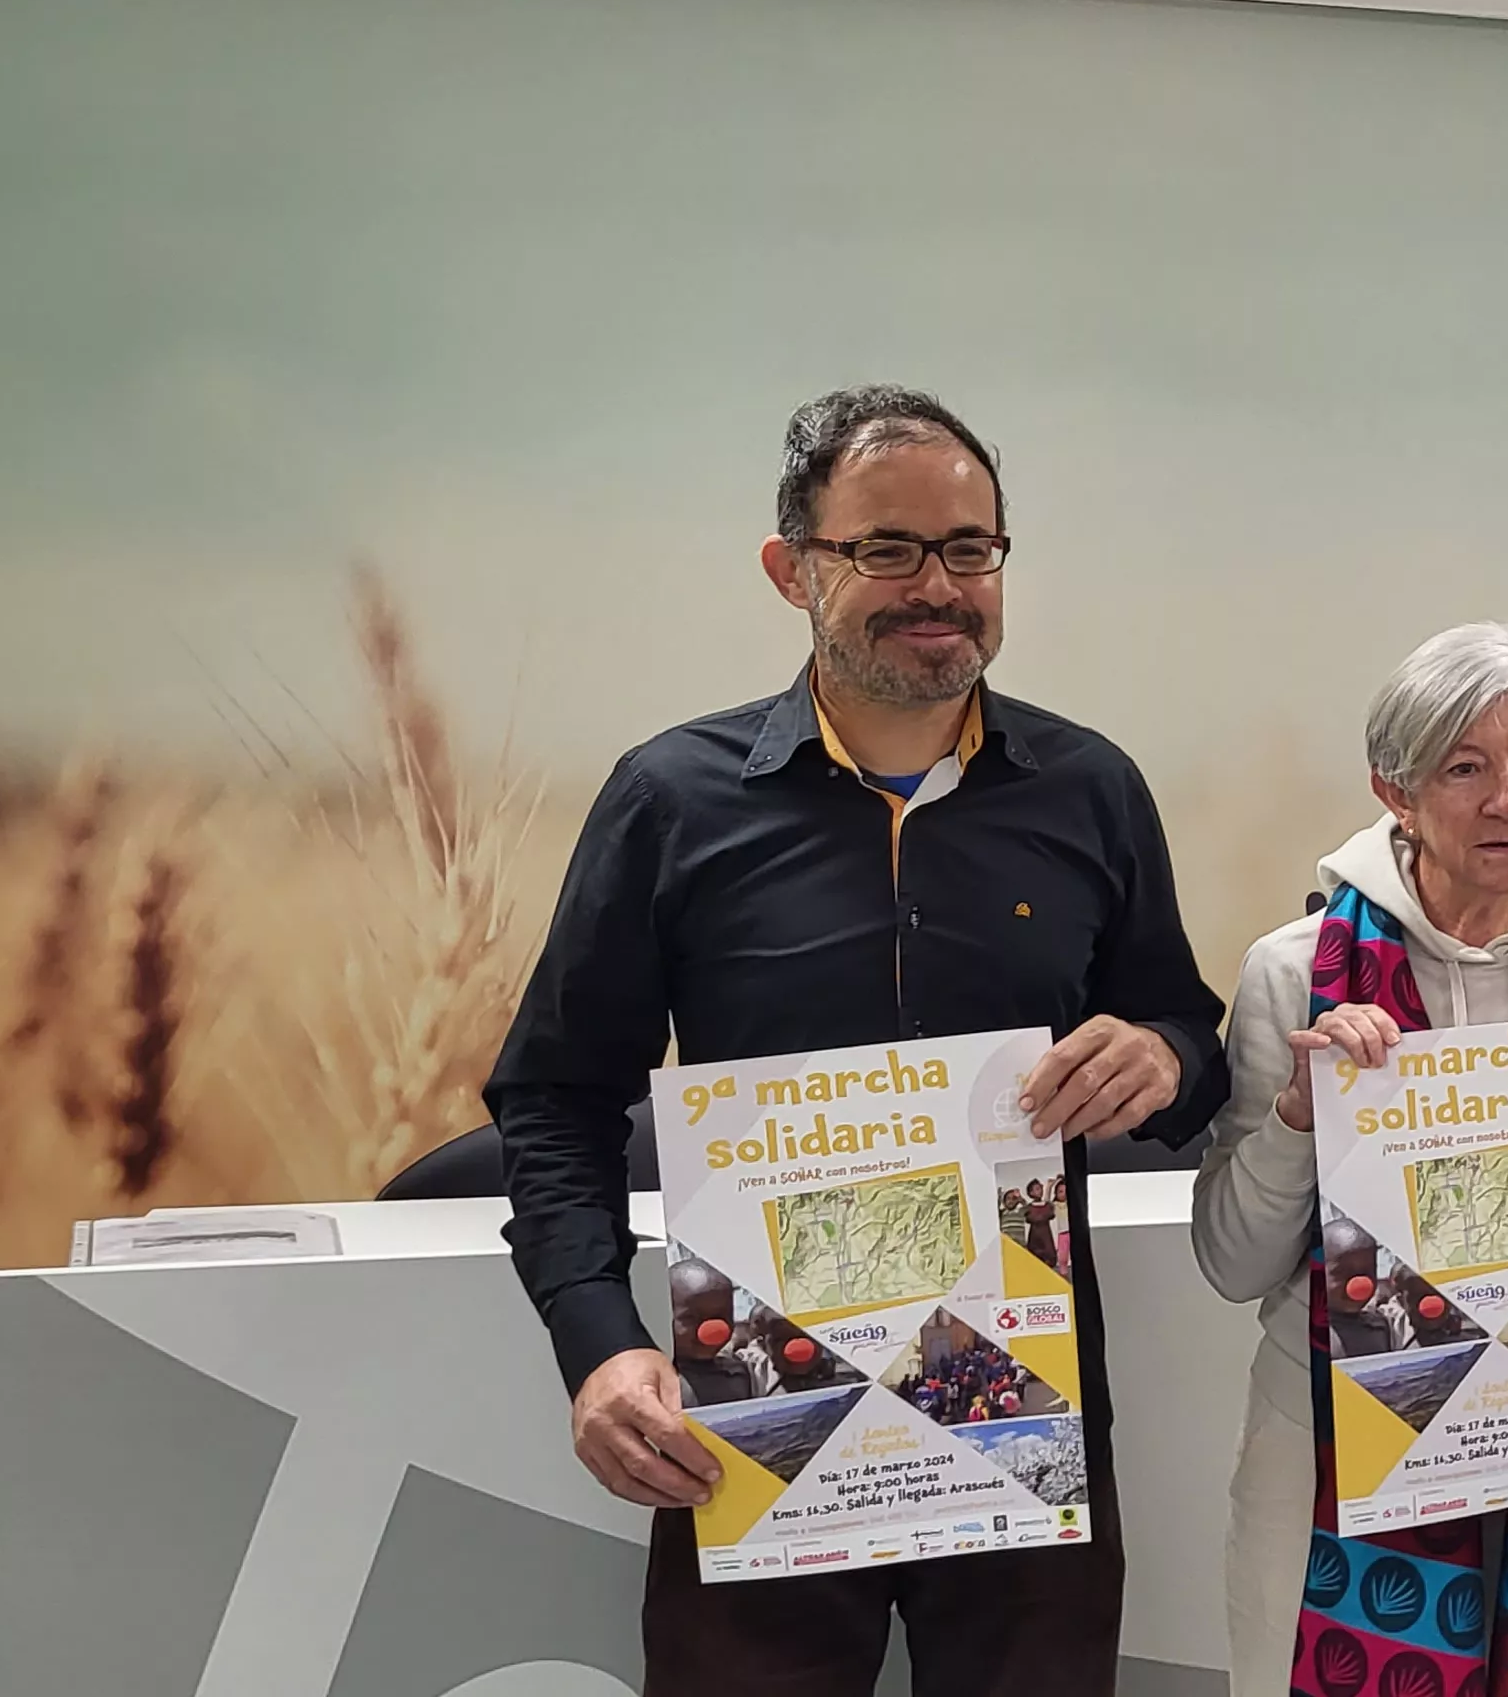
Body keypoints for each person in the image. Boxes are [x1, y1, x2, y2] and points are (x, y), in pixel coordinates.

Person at [483, 384, 1227, 1696]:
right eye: (886, 549)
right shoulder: (672, 801)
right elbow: (554, 1098)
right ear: (793, 570)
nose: (936, 585)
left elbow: (1188, 1035)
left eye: (970, 549)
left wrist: (1164, 1057)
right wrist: (599, 1347)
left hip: (1019, 1432)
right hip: (752, 1423)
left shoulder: (1092, 789)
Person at [1191, 621, 1508, 1697]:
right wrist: (1300, 1110)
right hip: (1330, 1464)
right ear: (1395, 787)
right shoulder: (1297, 973)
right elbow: (1233, 1263)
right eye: (1464, 768)